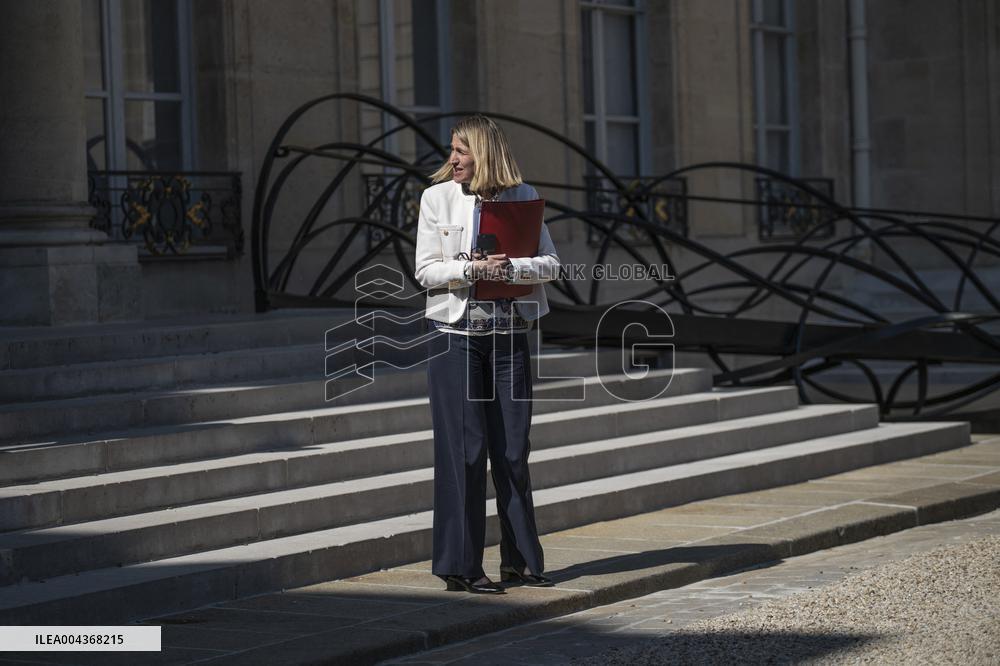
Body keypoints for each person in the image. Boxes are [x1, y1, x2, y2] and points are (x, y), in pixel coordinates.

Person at [413, 115, 560, 594]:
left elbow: (551, 263)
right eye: (452, 150)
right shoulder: (436, 198)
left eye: (462, 151)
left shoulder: (523, 197)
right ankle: (461, 567)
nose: (452, 159)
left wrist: (511, 267)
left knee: (513, 450)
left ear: (485, 154)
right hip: (454, 339)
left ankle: (520, 562)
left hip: (508, 339)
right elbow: (425, 271)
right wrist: (470, 267)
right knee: (466, 452)